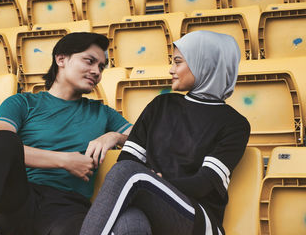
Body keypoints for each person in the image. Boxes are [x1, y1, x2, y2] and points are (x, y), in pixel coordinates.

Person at [0, 32, 132, 235]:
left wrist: (114, 136)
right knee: (3, 139)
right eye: (90, 61)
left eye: (101, 67)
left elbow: (146, 138)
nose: (97, 72)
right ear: (61, 59)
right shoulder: (22, 103)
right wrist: (64, 161)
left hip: (67, 208)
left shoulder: (103, 113)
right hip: (20, 199)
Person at [80, 30, 251, 235]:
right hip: (149, 201)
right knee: (130, 225)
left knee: (128, 173)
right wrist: (151, 184)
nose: (171, 70)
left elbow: (205, 183)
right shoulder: (161, 105)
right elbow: (128, 158)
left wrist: (157, 182)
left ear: (204, 65)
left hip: (196, 218)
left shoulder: (235, 124)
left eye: (178, 62)